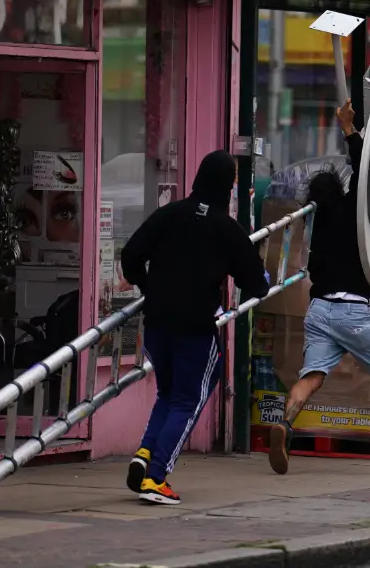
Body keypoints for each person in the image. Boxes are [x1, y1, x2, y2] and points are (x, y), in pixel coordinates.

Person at [268, 99, 370, 475]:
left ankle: (286, 423)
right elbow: (366, 169)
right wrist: (348, 128)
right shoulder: (352, 213)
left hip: (320, 309)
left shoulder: (316, 227)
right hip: (352, 310)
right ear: (339, 191)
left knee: (311, 376)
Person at [121, 150, 270, 505]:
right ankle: (156, 477)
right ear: (226, 187)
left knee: (168, 393)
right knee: (190, 398)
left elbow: (129, 257)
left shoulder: (169, 214)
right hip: (195, 327)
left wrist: (150, 287)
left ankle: (145, 454)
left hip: (157, 323)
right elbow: (257, 283)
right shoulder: (226, 228)